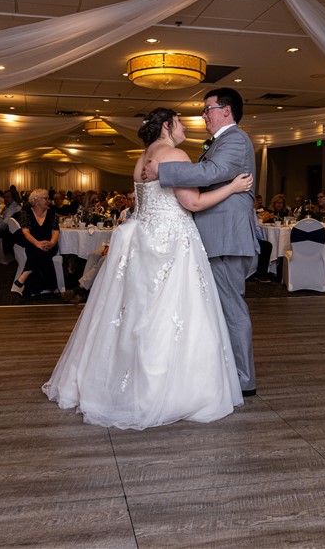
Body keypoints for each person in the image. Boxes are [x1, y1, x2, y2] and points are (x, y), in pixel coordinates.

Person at [43, 107, 253, 429]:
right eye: (181, 122)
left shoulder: (143, 158)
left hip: (141, 239)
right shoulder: (175, 155)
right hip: (172, 242)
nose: (186, 127)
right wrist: (233, 188)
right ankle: (164, 390)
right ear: (168, 125)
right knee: (170, 313)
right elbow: (193, 203)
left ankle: (118, 383)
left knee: (135, 313)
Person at [144, 87, 261, 397]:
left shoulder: (235, 139)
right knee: (220, 308)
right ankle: (230, 372)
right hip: (217, 237)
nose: (203, 115)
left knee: (231, 309)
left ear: (227, 111)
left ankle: (243, 379)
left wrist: (163, 170)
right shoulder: (222, 141)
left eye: (208, 108)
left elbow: (213, 172)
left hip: (225, 239)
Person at [14, 189, 62, 296]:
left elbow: (55, 231)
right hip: (33, 243)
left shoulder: (51, 212)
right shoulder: (25, 213)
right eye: (45, 198)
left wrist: (52, 243)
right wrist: (37, 243)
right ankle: (54, 286)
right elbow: (25, 232)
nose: (48, 201)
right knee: (41, 253)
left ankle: (25, 274)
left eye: (48, 198)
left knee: (43, 251)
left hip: (50, 244)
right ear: (36, 200)